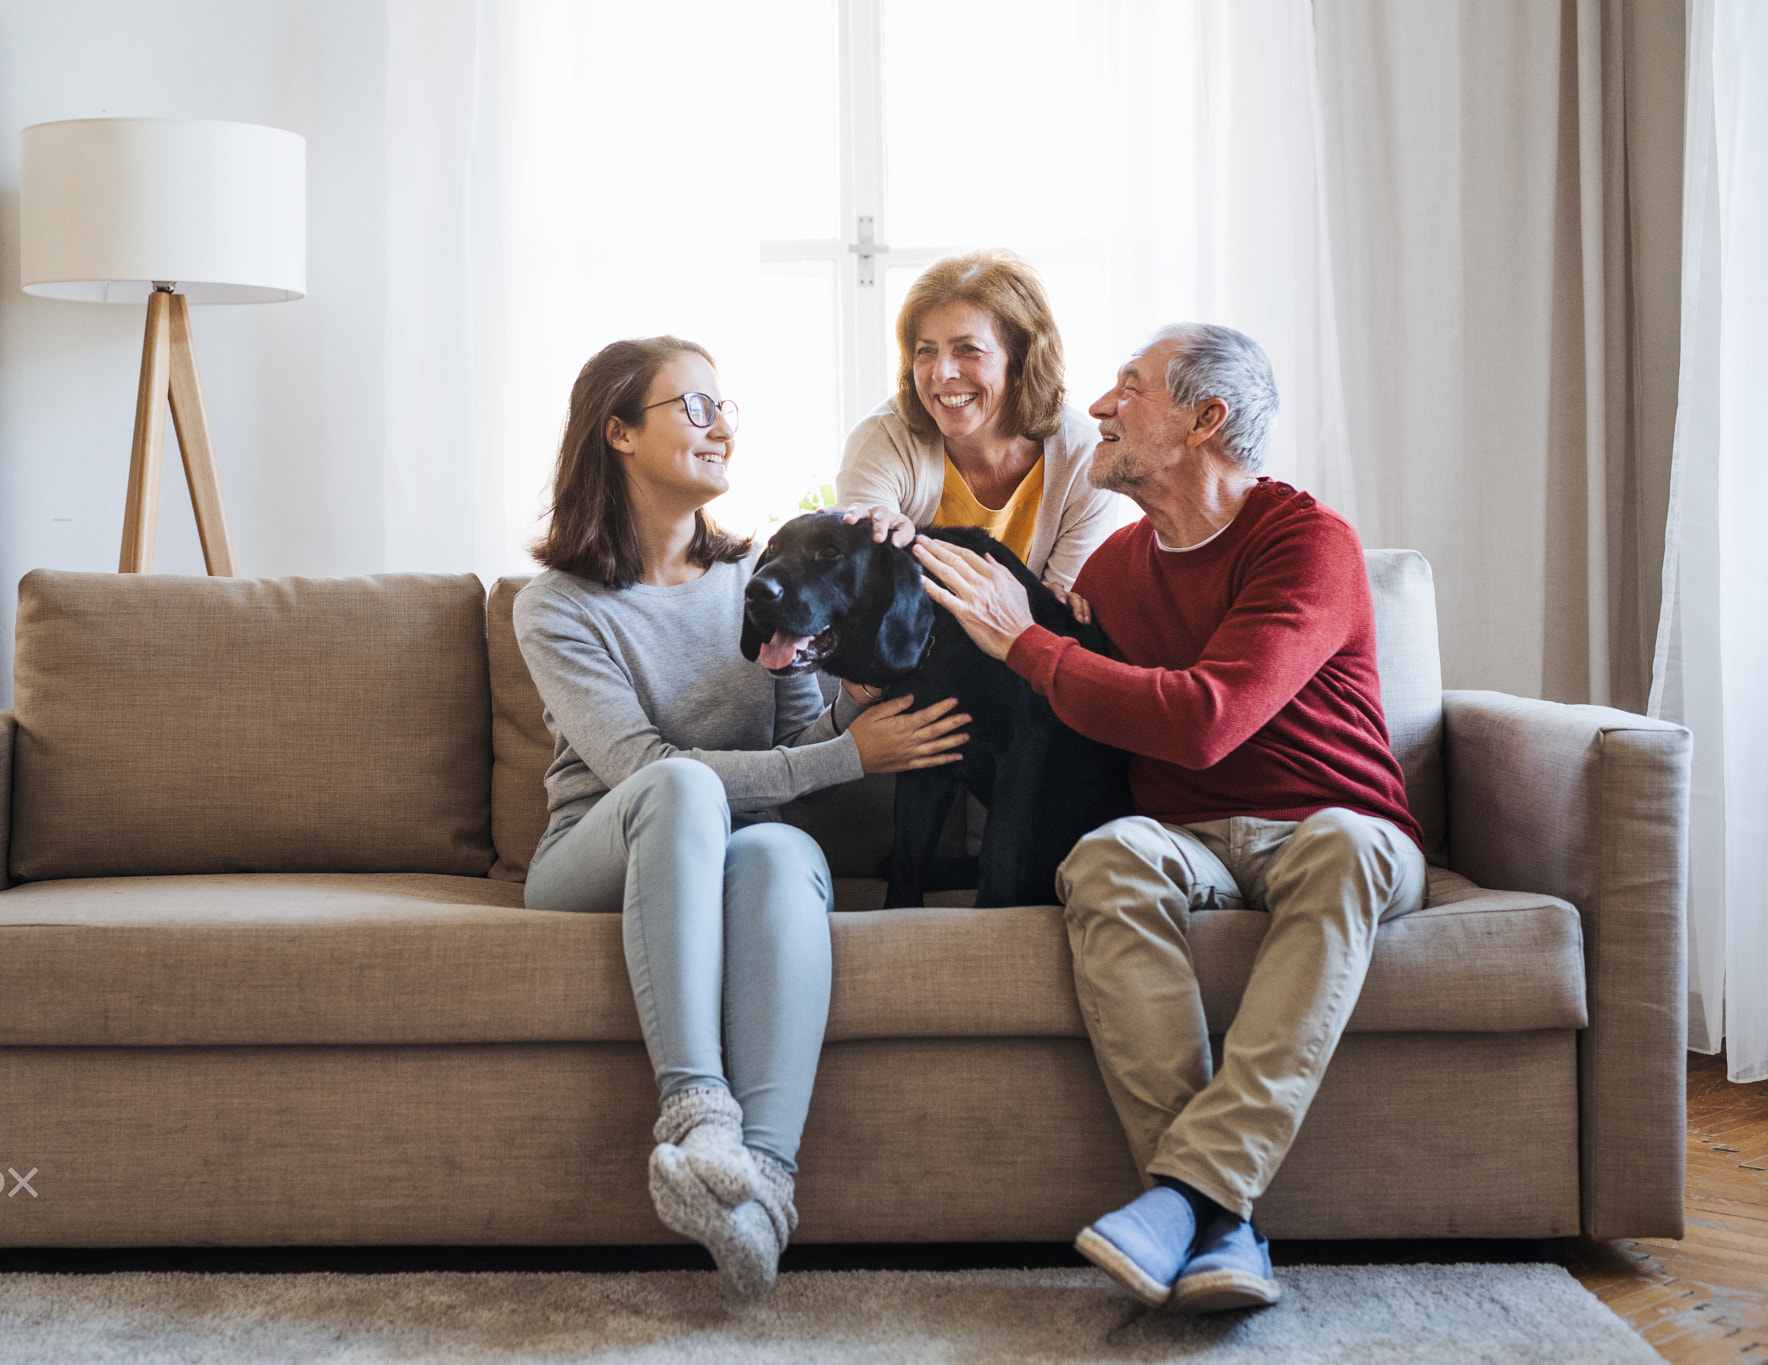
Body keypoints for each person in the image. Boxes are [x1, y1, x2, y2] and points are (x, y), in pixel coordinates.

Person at [912, 323, 1427, 1314]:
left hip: (1336, 823)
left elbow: (1203, 722)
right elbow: (1064, 708)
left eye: (1129, 387)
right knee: (1104, 859)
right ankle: (1218, 1222)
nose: (1098, 406)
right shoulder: (1109, 571)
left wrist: (1031, 646)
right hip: (1187, 843)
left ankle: (1184, 1193)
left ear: (1204, 419)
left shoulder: (1305, 541)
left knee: (1337, 849)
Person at [514, 336, 969, 1296]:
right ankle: (696, 1110)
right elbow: (643, 769)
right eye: (695, 406)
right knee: (681, 789)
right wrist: (851, 756)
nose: (722, 425)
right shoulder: (556, 604)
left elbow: (800, 734)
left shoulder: (756, 578)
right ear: (619, 433)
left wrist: (864, 618)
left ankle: (760, 1179)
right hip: (593, 858)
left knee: (774, 851)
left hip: (727, 850)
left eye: (727, 406)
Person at [837, 249, 1128, 591]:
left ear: (1020, 360)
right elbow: (877, 597)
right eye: (925, 350)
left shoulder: (1083, 456)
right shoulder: (881, 440)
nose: (942, 373)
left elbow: (1059, 621)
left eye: (968, 349)